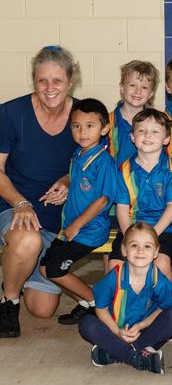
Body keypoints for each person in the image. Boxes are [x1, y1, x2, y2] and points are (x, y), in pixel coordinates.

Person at [0, 46, 79, 336]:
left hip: (57, 217)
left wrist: (69, 181)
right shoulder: (11, 113)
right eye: (41, 80)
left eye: (57, 81)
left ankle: (19, 266)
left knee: (42, 309)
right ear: (34, 79)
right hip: (14, 206)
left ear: (70, 80)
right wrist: (20, 203)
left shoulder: (81, 115)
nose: (49, 88)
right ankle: (8, 300)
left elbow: (91, 166)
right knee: (27, 240)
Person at [40, 99, 117, 325]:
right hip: (70, 229)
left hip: (89, 230)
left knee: (55, 270)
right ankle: (86, 304)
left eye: (90, 126)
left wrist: (77, 225)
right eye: (76, 126)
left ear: (104, 129)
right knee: (45, 269)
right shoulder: (77, 154)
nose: (82, 132)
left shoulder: (104, 162)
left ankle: (97, 303)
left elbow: (103, 200)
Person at [78, 222, 172, 374]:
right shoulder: (115, 277)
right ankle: (136, 356)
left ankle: (115, 353)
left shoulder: (158, 280)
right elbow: (101, 309)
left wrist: (140, 326)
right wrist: (117, 332)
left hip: (145, 331)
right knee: (87, 324)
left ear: (156, 252)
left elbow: (163, 308)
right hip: (115, 328)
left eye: (147, 246)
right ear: (124, 250)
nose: (140, 250)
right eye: (134, 245)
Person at [108, 109, 172, 281]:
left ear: (166, 139)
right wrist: (131, 237)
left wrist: (151, 237)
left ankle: (169, 303)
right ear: (132, 136)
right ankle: (124, 305)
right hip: (131, 228)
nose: (147, 135)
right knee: (115, 267)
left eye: (155, 131)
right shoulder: (124, 170)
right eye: (141, 130)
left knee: (161, 263)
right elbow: (122, 210)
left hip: (162, 229)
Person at [108, 60, 159, 166]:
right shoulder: (106, 123)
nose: (138, 91)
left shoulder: (159, 124)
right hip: (114, 182)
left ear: (151, 93)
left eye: (144, 87)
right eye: (132, 85)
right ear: (122, 87)